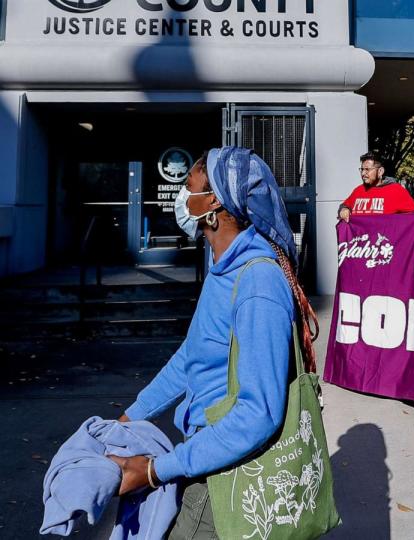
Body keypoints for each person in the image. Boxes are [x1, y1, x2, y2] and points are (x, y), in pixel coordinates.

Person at [109, 147, 319, 538]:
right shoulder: (224, 268)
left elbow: (259, 413)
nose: (181, 199)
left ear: (215, 201)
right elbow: (192, 356)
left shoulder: (258, 282)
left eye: (188, 187)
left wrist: (156, 471)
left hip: (225, 479)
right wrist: (131, 417)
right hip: (202, 457)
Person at [339, 152, 414, 222]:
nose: (363, 173)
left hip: (383, 244)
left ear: (380, 171)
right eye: (362, 169)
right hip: (361, 244)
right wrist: (344, 209)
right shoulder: (358, 190)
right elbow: (345, 205)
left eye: (367, 169)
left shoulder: (396, 190)